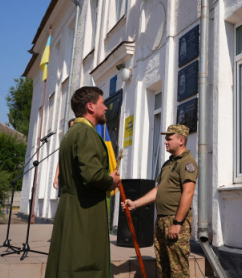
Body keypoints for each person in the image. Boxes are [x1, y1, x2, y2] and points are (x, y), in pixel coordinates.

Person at [45, 87, 121, 278]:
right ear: (90, 106)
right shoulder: (86, 133)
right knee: (84, 264)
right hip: (84, 211)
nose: (105, 108)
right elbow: (93, 175)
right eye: (102, 103)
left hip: (73, 207)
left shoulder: (72, 132)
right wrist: (110, 180)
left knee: (68, 261)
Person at [122, 124, 198, 278]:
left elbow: (188, 194)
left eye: (169, 139)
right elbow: (158, 190)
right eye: (165, 139)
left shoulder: (187, 163)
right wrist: (135, 204)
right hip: (162, 219)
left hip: (175, 221)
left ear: (181, 141)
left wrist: (177, 223)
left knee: (178, 270)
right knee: (164, 267)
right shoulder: (168, 164)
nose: (165, 142)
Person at [52, 118, 76, 190]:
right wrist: (56, 177)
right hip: (65, 177)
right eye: (71, 127)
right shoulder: (66, 141)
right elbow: (61, 160)